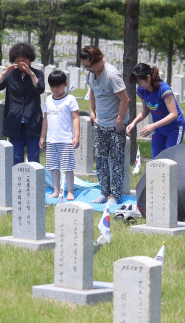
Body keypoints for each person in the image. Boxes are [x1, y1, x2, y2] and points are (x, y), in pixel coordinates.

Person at [80, 45, 129, 205]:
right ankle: (104, 192)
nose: (88, 69)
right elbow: (92, 91)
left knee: (116, 161)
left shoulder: (112, 75)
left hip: (116, 125)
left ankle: (115, 196)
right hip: (100, 123)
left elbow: (125, 100)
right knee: (100, 159)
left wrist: (120, 121)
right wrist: (92, 111)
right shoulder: (91, 74)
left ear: (99, 59)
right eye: (85, 66)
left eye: (90, 66)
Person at [0, 42, 45, 165]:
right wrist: (4, 73)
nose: (21, 63)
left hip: (32, 120)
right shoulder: (10, 74)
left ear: (30, 59)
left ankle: (34, 183)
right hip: (14, 121)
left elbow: (40, 89)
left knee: (34, 156)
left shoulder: (37, 74)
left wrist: (31, 74)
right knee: (16, 157)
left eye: (24, 60)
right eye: (18, 60)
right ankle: (17, 182)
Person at [126, 63, 185, 158]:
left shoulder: (163, 89)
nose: (139, 85)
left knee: (170, 160)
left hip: (174, 128)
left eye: (140, 82)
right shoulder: (141, 90)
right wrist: (134, 123)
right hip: (158, 129)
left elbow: (174, 114)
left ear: (148, 77)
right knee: (156, 161)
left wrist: (153, 125)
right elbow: (145, 109)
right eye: (138, 83)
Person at [39, 70, 80, 200]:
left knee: (67, 167)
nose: (55, 89)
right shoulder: (48, 100)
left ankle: (70, 191)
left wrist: (77, 136)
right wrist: (42, 136)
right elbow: (45, 118)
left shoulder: (70, 99)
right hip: (51, 140)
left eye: (58, 86)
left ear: (65, 84)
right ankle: (56, 190)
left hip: (65, 140)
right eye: (52, 86)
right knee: (53, 167)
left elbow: (75, 118)